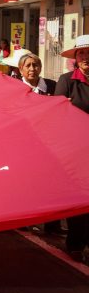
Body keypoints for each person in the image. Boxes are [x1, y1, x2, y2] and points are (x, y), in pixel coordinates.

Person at [54, 34, 89, 263]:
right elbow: (56, 113)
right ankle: (76, 244)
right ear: (76, 58)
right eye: (81, 53)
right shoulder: (67, 81)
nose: (85, 57)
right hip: (77, 150)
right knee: (81, 199)